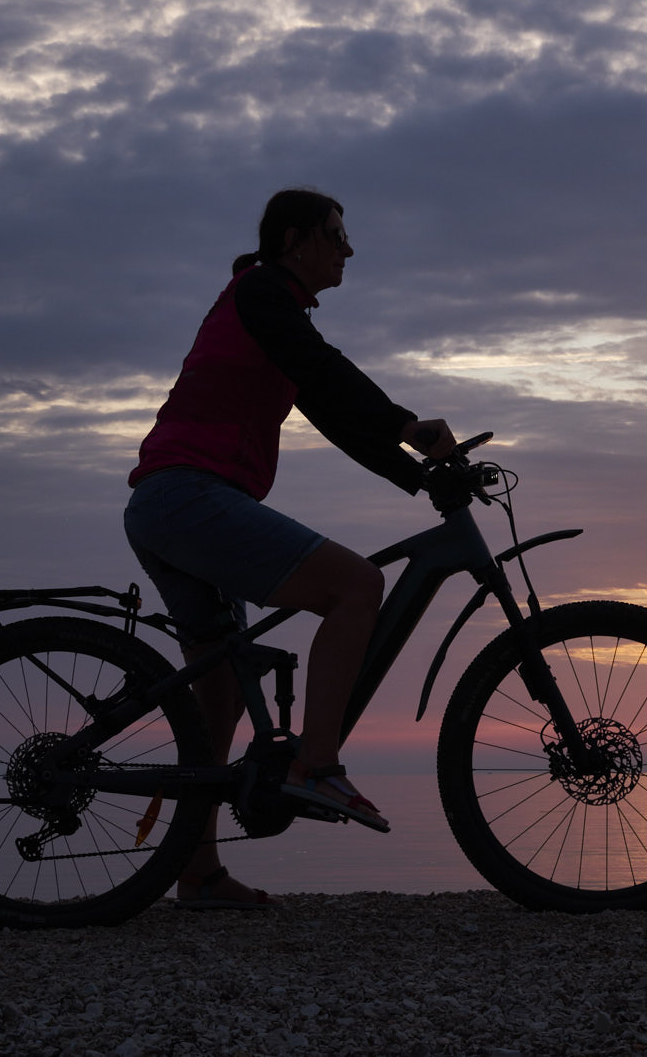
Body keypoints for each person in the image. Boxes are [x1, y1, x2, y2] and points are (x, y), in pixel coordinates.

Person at [123, 188, 455, 908]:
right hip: (191, 497)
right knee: (356, 587)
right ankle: (317, 764)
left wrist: (420, 475)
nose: (349, 249)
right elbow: (326, 367)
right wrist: (410, 424)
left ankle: (199, 873)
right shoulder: (262, 294)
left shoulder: (269, 314)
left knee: (217, 698)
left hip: (170, 505)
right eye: (337, 234)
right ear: (295, 238)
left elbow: (332, 411)